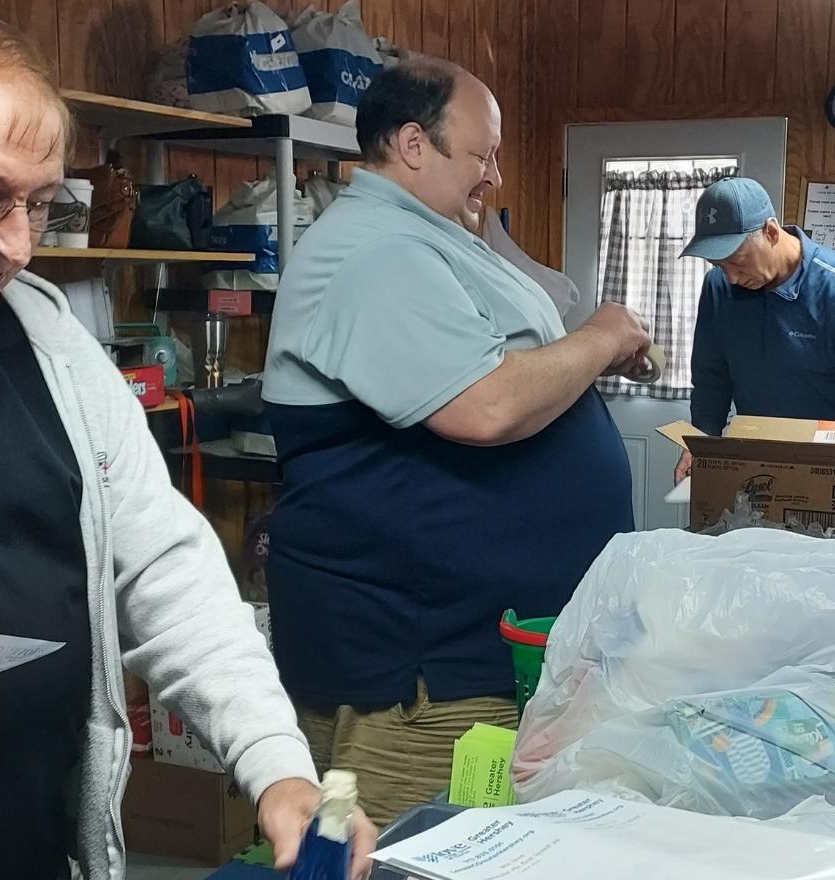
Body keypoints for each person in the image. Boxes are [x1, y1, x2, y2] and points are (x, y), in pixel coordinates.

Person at [0, 3, 374, 877]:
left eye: (40, 204)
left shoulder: (49, 345)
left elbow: (167, 574)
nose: (16, 245)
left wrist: (276, 764)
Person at [260, 59, 650, 825]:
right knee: (416, 857)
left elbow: (501, 366)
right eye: (483, 155)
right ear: (413, 144)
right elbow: (486, 405)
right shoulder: (374, 250)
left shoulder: (431, 238)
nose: (495, 175)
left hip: (475, 653)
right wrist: (601, 337)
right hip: (416, 675)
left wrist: (580, 355)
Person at [674, 177, 835, 482]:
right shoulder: (719, 288)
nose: (731, 278)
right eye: (719, 265)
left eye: (738, 261)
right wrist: (700, 442)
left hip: (830, 470)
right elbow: (711, 381)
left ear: (771, 232)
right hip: (755, 467)